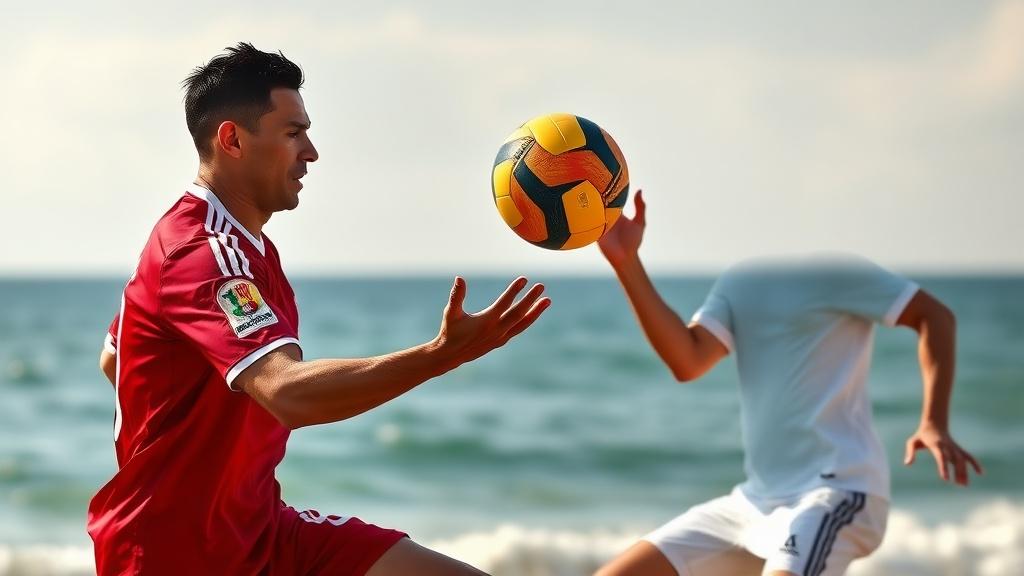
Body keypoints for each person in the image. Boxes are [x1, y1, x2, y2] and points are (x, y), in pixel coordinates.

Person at [88, 42, 550, 575]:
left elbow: (116, 360)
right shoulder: (200, 253)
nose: (311, 152)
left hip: (261, 531)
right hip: (174, 554)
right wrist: (442, 354)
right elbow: (287, 394)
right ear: (232, 139)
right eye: (292, 133)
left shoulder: (242, 248)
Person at [593, 191, 983, 576]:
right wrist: (627, 262)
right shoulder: (739, 281)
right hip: (753, 502)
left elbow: (935, 316)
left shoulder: (837, 271)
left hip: (838, 489)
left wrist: (933, 421)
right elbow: (688, 359)